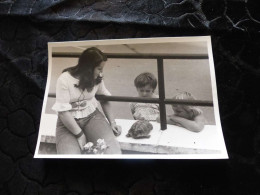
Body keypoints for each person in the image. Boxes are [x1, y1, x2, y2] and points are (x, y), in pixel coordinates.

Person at [52, 47, 122, 154]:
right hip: (68, 122)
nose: (101, 73)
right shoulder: (64, 79)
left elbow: (104, 99)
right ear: (88, 68)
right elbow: (63, 112)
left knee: (112, 151)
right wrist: (80, 135)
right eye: (99, 69)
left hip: (92, 116)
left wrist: (112, 122)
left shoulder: (97, 78)